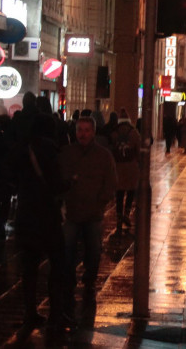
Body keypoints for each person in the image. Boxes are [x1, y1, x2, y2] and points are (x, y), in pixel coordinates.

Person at [10, 112, 68, 332]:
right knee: (58, 263)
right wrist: (69, 184)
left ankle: (30, 312)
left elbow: (8, 171)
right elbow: (55, 184)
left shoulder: (23, 148)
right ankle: (56, 313)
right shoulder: (52, 151)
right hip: (47, 215)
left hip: (26, 214)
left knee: (29, 267)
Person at [59, 115, 116, 325]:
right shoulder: (67, 153)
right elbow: (61, 179)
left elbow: (110, 182)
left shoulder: (103, 155)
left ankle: (89, 280)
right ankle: (69, 281)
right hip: (73, 212)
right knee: (68, 249)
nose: (83, 134)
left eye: (86, 130)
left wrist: (100, 201)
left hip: (93, 212)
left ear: (93, 132)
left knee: (94, 250)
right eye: (80, 130)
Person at [109, 108, 142, 237]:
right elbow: (138, 150)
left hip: (117, 166)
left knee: (119, 193)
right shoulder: (134, 133)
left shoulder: (114, 133)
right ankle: (127, 214)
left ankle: (118, 216)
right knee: (130, 191)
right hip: (131, 166)